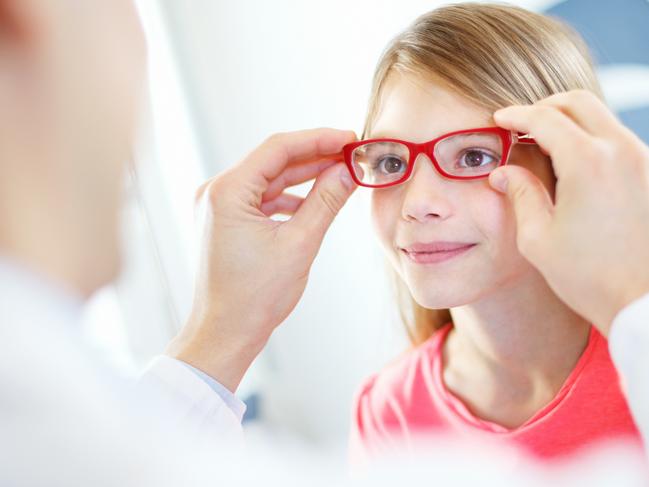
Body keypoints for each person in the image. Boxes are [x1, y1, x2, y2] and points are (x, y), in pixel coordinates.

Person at [2, 0, 649, 484]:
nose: (419, 203)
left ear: (567, 168)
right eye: (392, 162)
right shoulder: (387, 408)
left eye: (474, 154)